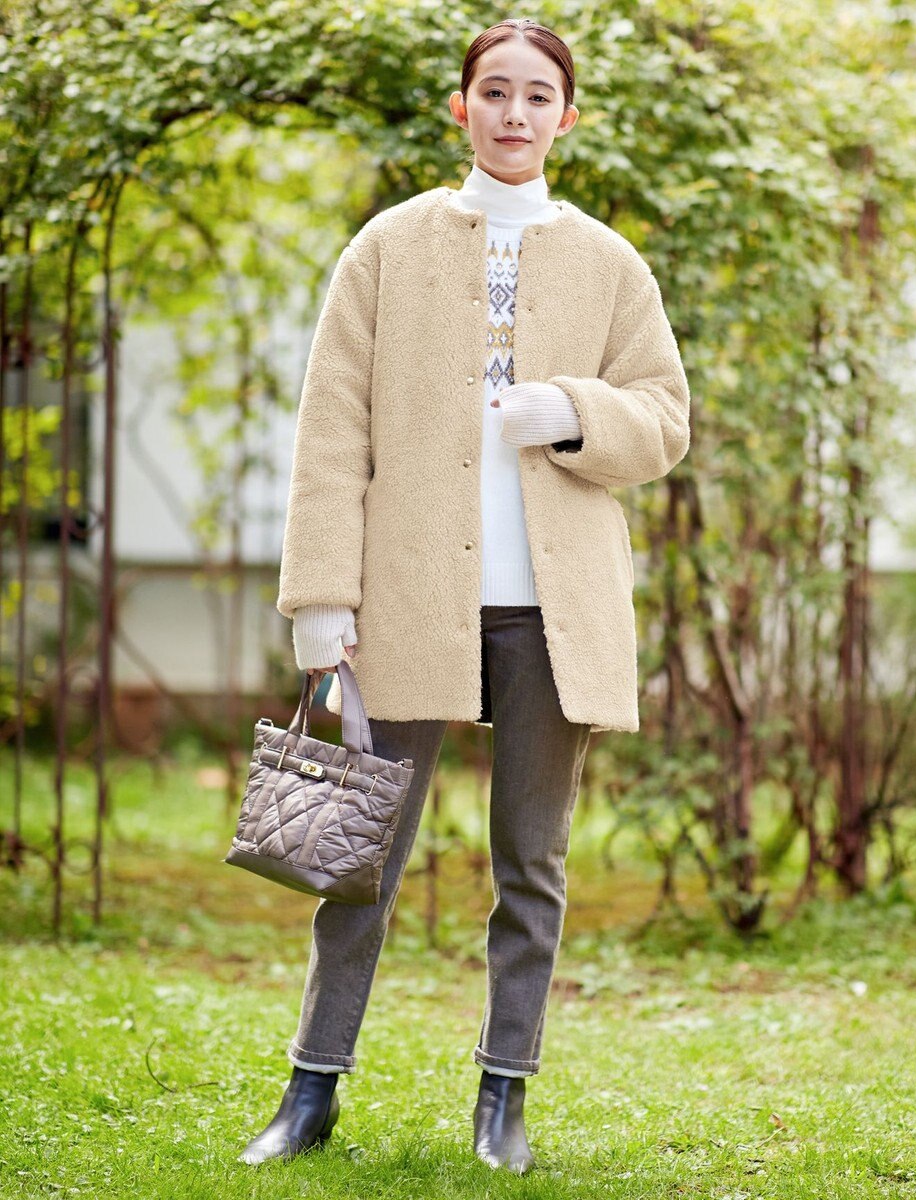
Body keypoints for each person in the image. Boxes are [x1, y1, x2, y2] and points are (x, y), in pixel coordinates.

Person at [237, 17, 691, 1175]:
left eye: (537, 95)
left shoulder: (610, 264)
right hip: (401, 603)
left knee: (531, 864)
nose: (514, 113)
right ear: (461, 106)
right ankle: (310, 1091)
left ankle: (503, 1103)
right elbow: (330, 432)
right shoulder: (385, 249)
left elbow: (665, 420)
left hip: (552, 611)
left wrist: (578, 412)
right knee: (359, 855)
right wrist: (320, 599)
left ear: (566, 116)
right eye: (494, 91)